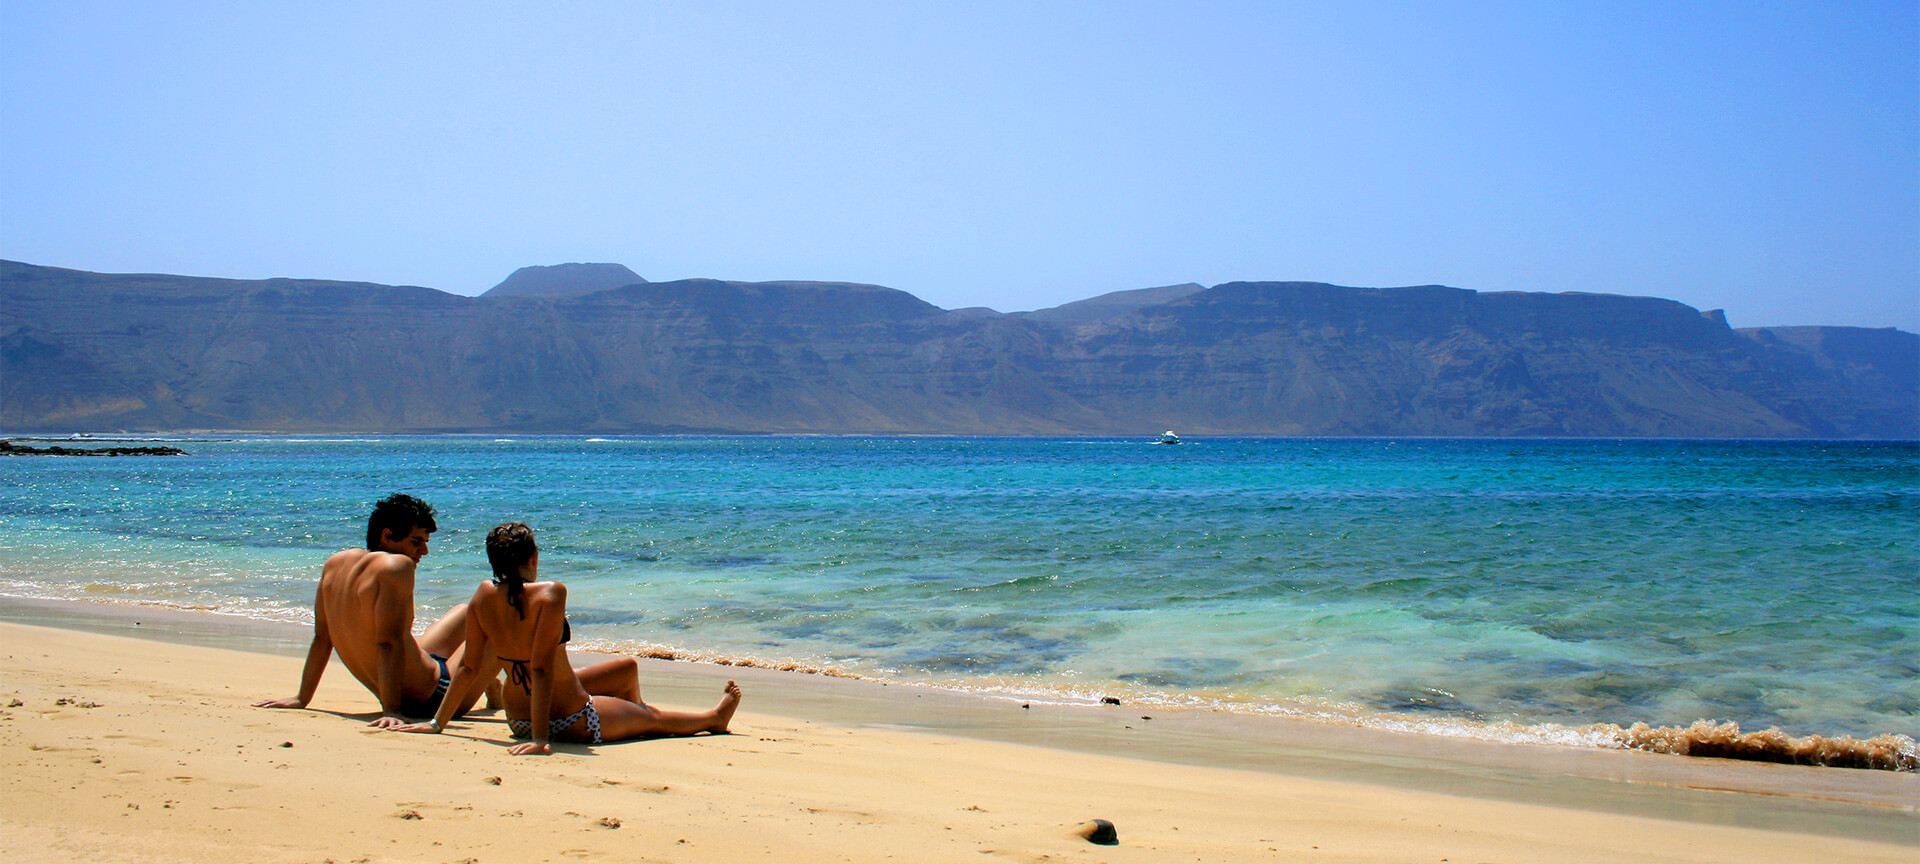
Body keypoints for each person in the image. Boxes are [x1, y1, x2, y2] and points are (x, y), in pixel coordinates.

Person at [396, 521, 740, 754]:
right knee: (654, 718)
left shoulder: (483, 596)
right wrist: (542, 738)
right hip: (568, 719)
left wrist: (437, 722)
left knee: (627, 668)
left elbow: (469, 667)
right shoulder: (550, 593)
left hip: (518, 719)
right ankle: (712, 718)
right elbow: (542, 668)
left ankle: (627, 712)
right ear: (533, 557)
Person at [254, 494, 497, 727]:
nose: (424, 552)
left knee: (464, 611)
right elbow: (388, 642)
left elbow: (323, 638)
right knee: (500, 622)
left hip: (420, 673)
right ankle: (498, 687)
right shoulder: (397, 566)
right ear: (387, 536)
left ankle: (492, 685)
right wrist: (392, 711)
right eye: (416, 542)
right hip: (435, 697)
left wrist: (302, 698)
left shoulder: (335, 563)